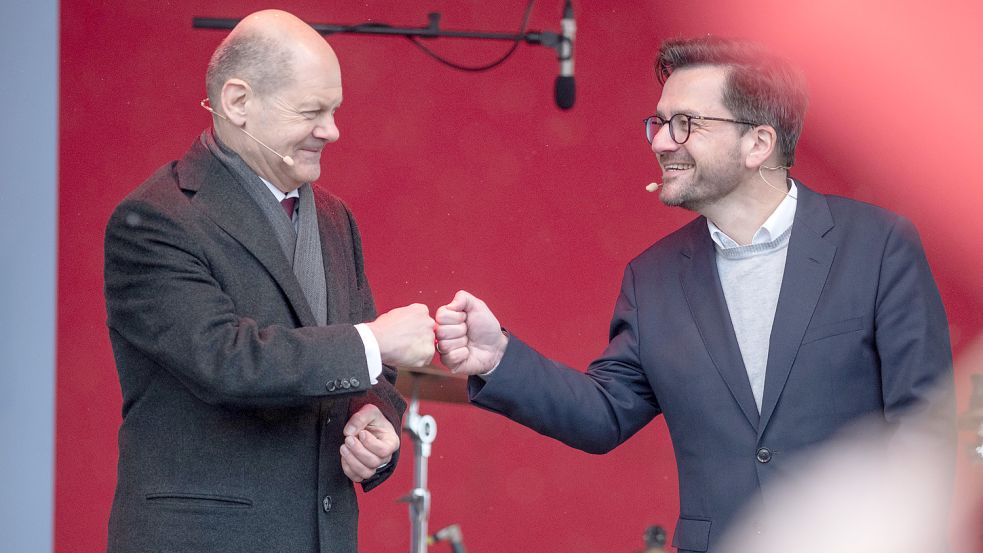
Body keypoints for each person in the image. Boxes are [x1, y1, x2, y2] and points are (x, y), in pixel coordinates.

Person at [435, 36, 954, 553]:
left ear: (758, 143)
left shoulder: (877, 245)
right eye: (659, 123)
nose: (660, 142)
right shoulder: (654, 278)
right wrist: (498, 357)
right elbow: (603, 414)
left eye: (685, 123)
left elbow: (925, 428)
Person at [103, 10, 435, 553]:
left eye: (334, 111)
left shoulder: (334, 218)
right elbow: (225, 360)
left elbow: (366, 372)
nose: (332, 130)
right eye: (312, 112)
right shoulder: (156, 220)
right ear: (237, 103)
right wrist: (373, 341)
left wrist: (373, 418)